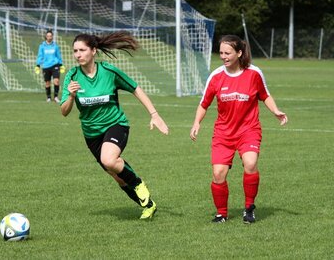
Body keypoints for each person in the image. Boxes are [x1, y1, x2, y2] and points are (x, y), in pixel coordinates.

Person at [60, 31, 169, 220]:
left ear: (93, 51)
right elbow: (64, 111)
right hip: (91, 134)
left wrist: (154, 114)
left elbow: (135, 88)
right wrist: (70, 95)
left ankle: (138, 183)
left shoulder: (109, 71)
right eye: (75, 51)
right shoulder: (72, 76)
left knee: (109, 160)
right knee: (117, 175)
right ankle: (149, 205)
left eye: (82, 50)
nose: (78, 54)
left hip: (115, 125)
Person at [190, 35, 288, 224]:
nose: (224, 56)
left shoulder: (254, 73)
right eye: (221, 53)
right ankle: (221, 213)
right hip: (223, 133)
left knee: (250, 164)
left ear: (239, 53)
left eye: (228, 53)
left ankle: (249, 208)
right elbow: (204, 104)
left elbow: (265, 94)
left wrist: (275, 110)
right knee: (218, 174)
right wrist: (196, 123)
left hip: (248, 130)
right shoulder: (216, 76)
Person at [35, 29, 65, 103]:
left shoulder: (55, 46)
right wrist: (38, 65)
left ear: (52, 37)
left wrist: (61, 65)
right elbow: (40, 56)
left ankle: (56, 97)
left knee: (56, 81)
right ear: (46, 36)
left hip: (55, 65)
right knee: (47, 82)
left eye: (50, 36)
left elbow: (58, 56)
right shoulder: (42, 46)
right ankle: (48, 97)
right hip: (45, 66)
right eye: (48, 36)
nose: (49, 37)